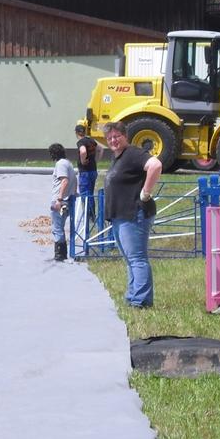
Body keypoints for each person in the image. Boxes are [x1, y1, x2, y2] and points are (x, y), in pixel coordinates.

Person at [102, 121, 163, 308]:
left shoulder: (133, 153)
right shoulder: (118, 157)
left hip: (134, 214)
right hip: (120, 215)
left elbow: (155, 165)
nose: (113, 140)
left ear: (125, 136)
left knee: (137, 259)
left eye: (117, 136)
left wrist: (145, 192)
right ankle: (133, 297)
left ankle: (141, 301)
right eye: (110, 137)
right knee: (130, 259)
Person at [49, 143, 77, 262]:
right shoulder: (68, 163)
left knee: (57, 228)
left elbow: (64, 181)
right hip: (69, 199)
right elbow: (74, 180)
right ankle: (63, 253)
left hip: (61, 200)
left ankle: (60, 254)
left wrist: (59, 199)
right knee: (60, 227)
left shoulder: (60, 164)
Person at [74, 124, 99, 228]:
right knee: (91, 193)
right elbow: (100, 149)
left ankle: (89, 216)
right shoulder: (91, 140)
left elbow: (83, 151)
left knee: (85, 194)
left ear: (76, 133)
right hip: (93, 170)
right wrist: (96, 160)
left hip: (85, 172)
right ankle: (92, 215)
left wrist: (83, 161)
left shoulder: (81, 142)